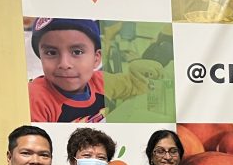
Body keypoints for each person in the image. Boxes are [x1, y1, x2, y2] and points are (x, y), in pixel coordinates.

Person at [27, 17, 157, 123]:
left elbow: (133, 85)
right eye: (51, 52)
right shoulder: (35, 98)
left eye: (77, 52)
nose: (64, 64)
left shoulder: (101, 81)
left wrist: (140, 72)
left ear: (96, 58)